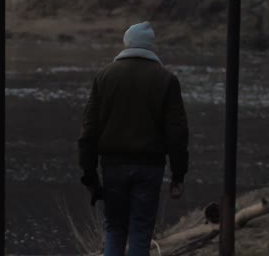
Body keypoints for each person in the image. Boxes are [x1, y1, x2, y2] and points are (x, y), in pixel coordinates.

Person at [78, 21, 189, 256]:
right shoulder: (167, 79)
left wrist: (89, 176)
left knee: (115, 229)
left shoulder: (104, 76)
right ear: (151, 47)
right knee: (141, 230)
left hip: (113, 166)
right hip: (150, 167)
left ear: (126, 43)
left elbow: (88, 131)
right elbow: (177, 132)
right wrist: (178, 175)